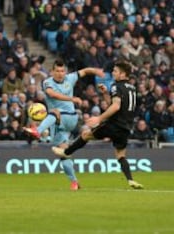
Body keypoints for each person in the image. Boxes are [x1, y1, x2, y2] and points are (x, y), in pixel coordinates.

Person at [52, 61, 144, 189]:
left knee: (86, 134)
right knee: (120, 155)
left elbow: (116, 106)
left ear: (123, 74)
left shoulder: (116, 86)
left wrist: (99, 118)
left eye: (116, 71)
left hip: (114, 124)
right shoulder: (132, 88)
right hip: (126, 127)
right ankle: (130, 180)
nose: (113, 73)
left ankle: (66, 152)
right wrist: (105, 93)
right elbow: (115, 103)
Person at [24, 59, 106, 190]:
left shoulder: (70, 78)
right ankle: (74, 182)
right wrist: (71, 98)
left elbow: (85, 71)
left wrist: (95, 71)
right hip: (56, 124)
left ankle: (38, 131)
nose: (60, 73)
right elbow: (52, 94)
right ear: (52, 71)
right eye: (57, 71)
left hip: (70, 118)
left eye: (62, 71)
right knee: (63, 153)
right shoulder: (47, 82)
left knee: (55, 111)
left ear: (65, 72)